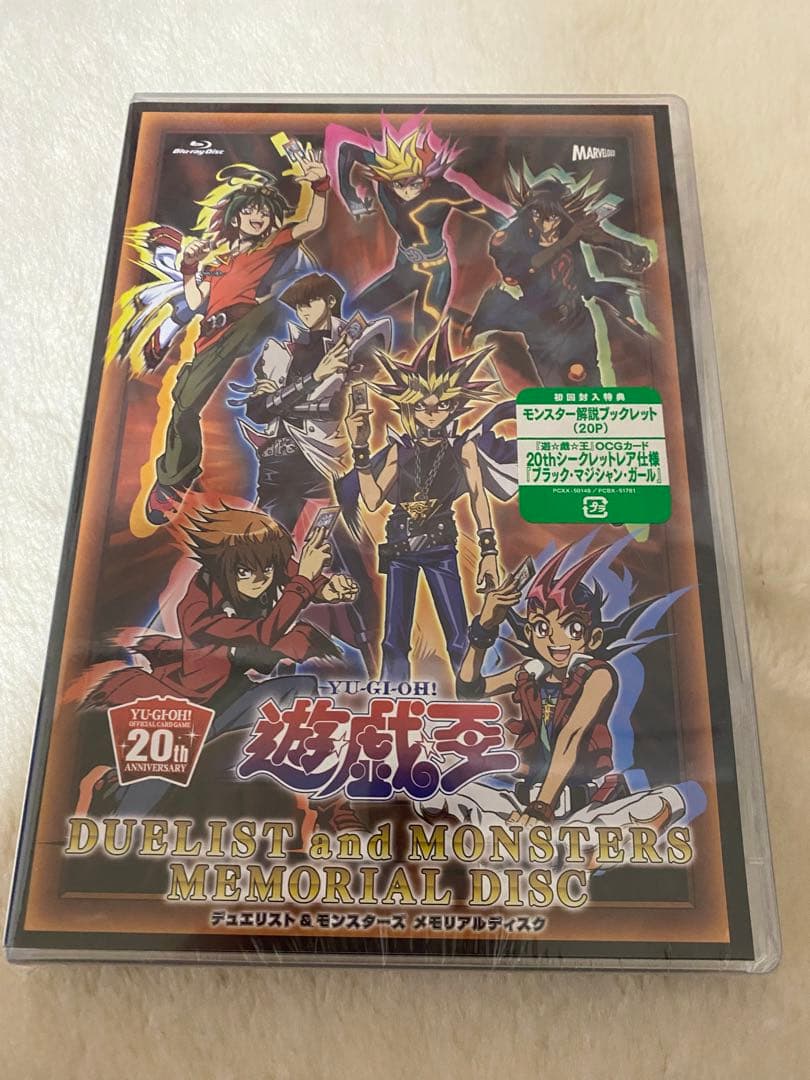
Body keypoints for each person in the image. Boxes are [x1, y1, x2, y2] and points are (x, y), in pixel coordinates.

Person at [79, 506, 357, 817]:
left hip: (232, 698)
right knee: (144, 801)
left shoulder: (260, 563)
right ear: (222, 567)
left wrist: (326, 588)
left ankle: (329, 802)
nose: (259, 580)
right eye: (244, 572)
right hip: (183, 709)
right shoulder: (196, 611)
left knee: (301, 691)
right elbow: (263, 633)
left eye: (265, 569)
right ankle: (112, 792)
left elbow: (289, 572)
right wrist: (304, 582)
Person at [144, 155, 331, 525]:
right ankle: (175, 477)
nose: (257, 216)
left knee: (271, 310)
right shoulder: (217, 262)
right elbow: (195, 303)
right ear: (235, 217)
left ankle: (310, 353)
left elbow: (311, 223)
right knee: (183, 404)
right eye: (250, 210)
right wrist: (190, 268)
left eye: (264, 211)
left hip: (249, 323)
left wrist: (320, 186)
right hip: (211, 340)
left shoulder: (270, 246)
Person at [338, 321, 517, 682]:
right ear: (409, 406)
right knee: (394, 641)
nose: (432, 411)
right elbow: (371, 500)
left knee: (459, 637)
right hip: (400, 547)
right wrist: (359, 447)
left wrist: (489, 551)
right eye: (422, 404)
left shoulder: (463, 448)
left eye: (442, 404)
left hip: (440, 547)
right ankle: (392, 695)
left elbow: (479, 497)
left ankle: (468, 691)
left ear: (454, 406)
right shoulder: (398, 450)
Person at [326, 118, 510, 343]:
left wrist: (519, 234)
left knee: (423, 338)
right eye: (398, 184)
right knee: (352, 311)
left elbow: (490, 215)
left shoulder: (445, 192)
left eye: (414, 184)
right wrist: (350, 195)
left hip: (435, 276)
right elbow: (347, 150)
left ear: (427, 179)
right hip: (403, 269)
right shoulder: (387, 172)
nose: (405, 191)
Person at [468, 164, 653, 386]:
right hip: (540, 326)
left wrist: (627, 248)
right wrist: (568, 239)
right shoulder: (512, 237)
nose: (544, 224)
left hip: (576, 321)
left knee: (585, 381)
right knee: (556, 390)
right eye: (537, 214)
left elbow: (597, 241)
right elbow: (523, 268)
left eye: (552, 216)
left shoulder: (568, 228)